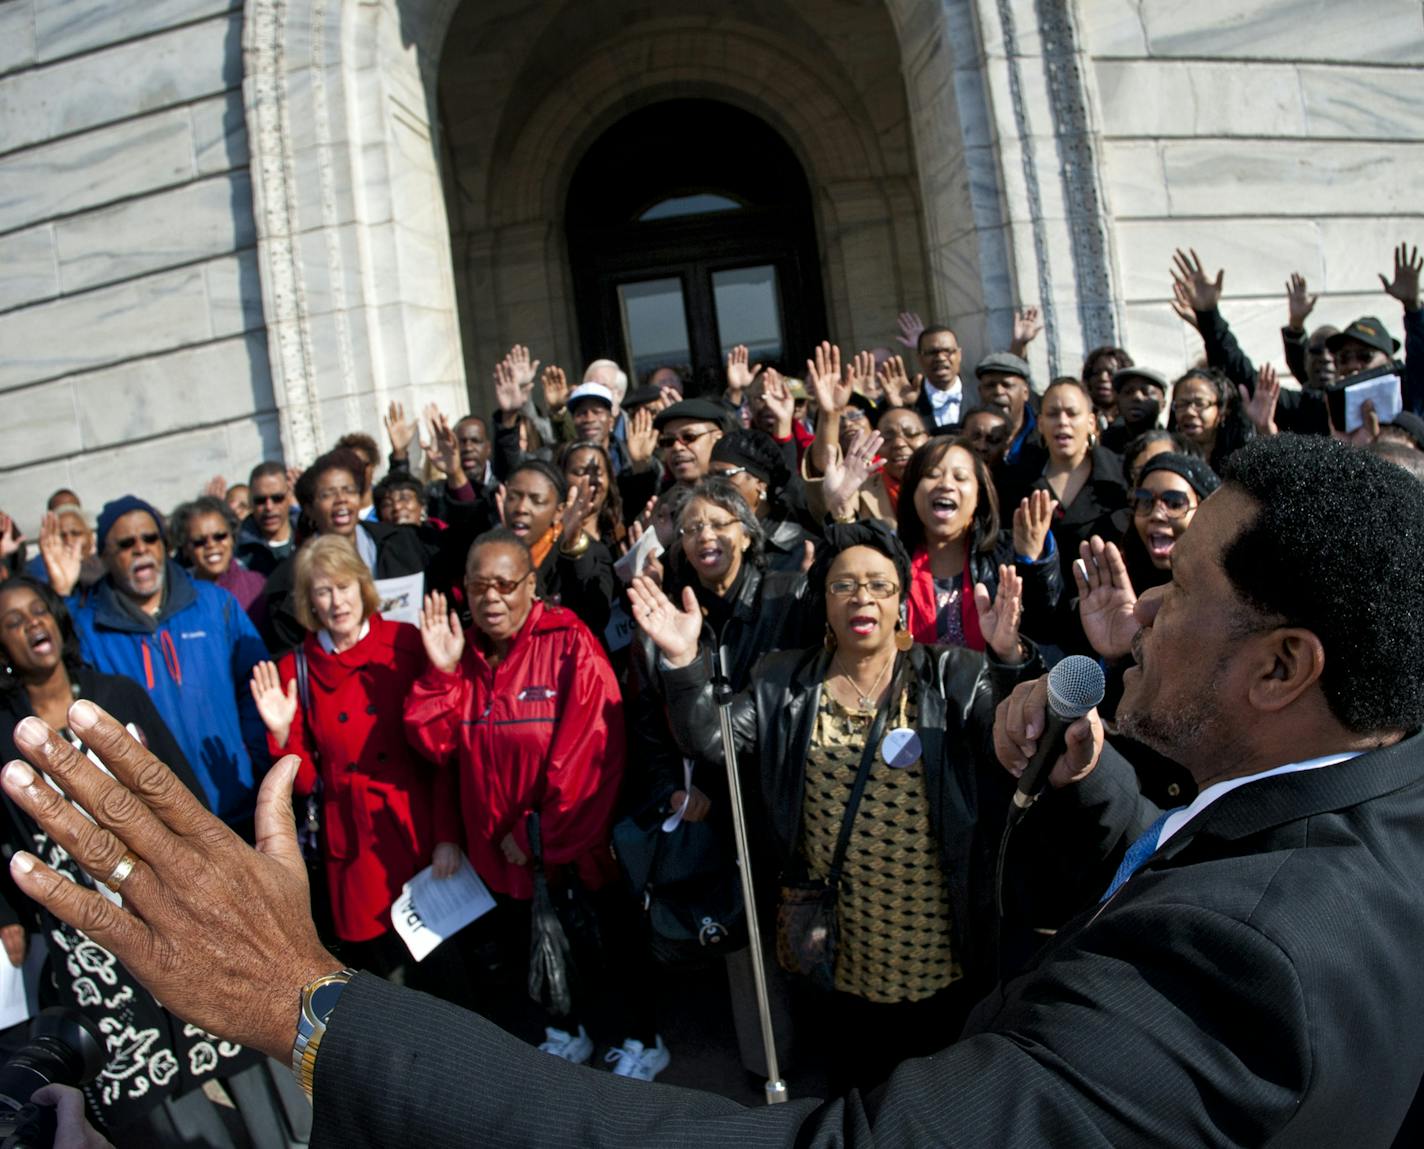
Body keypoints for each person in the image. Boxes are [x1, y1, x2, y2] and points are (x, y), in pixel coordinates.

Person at [13, 433, 1424, 1148]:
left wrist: (313, 1010)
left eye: (1188, 585)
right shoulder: (1360, 815)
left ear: (1284, 665)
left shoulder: (1235, 966)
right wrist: (1105, 790)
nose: (1148, 600)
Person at [629, 520, 1044, 1091]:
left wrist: (1008, 658)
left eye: (879, 584)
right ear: (822, 600)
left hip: (935, 933)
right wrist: (683, 659)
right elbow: (711, 739)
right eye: (844, 585)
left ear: (900, 599)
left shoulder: (953, 674)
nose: (862, 597)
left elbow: (1020, 738)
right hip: (835, 938)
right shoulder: (781, 680)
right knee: (856, 1076)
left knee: (934, 1080)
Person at [0, 576, 296, 1146]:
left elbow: (176, 786)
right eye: (13, 621)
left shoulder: (115, 695)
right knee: (140, 1055)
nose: (32, 624)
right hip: (82, 925)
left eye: (38, 611)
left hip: (155, 886)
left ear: (58, 623)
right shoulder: (1, 732)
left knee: (219, 1019)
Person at [404, 530, 643, 1071]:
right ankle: (566, 1030)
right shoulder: (462, 654)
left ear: (531, 586)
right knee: (535, 950)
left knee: (603, 945)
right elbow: (436, 745)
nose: (492, 598)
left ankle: (640, 1038)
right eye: (479, 585)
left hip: (569, 849)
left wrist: (538, 832)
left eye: (506, 584)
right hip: (501, 858)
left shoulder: (567, 641)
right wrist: (441, 675)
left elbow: (590, 749)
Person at [249, 536, 455, 977]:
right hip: (355, 846)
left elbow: (440, 753)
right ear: (310, 603)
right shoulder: (296, 669)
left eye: (344, 586)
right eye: (323, 591)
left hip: (414, 827)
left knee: (444, 970)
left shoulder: (407, 642)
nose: (337, 601)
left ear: (362, 586)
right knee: (384, 979)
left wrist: (447, 836)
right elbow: (303, 784)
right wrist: (283, 733)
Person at [42, 495, 270, 835]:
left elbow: (256, 689)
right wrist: (60, 595)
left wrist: (255, 762)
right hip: (160, 822)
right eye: (126, 543)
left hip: (237, 801)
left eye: (150, 538)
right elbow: (53, 687)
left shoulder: (215, 603)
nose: (140, 548)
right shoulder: (86, 628)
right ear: (105, 555)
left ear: (164, 545)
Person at [260, 444, 483, 655]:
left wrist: (456, 477)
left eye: (348, 490)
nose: (341, 500)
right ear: (309, 508)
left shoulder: (404, 542)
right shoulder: (288, 582)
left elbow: (468, 553)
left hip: (419, 670)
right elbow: (290, 656)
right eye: (328, 494)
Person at [896, 438, 1062, 650]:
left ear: (978, 496)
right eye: (932, 475)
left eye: (960, 477)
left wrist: (1034, 562)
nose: (946, 484)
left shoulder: (1006, 554)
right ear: (912, 490)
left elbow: (1043, 627)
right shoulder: (890, 558)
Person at [500, 459, 614, 639]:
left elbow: (596, 616)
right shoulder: (490, 553)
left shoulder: (589, 552)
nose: (521, 508)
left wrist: (573, 543)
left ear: (559, 511)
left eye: (536, 500)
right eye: (513, 497)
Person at [708, 429, 815, 573]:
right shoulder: (707, 540)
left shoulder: (798, 548)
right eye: (709, 477)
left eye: (724, 475)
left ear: (760, 483)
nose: (713, 485)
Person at [1119, 453, 1220, 595]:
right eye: (1145, 500)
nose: (1156, 515)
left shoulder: (1235, 597)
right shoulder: (1114, 588)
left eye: (1174, 503)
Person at [171, 495, 267, 628]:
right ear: (186, 549)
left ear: (232, 538)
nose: (211, 545)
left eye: (220, 536)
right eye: (199, 541)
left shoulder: (258, 586)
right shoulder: (175, 595)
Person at [1167, 366, 1254, 472]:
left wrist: (1264, 427)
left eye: (1200, 404)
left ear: (1223, 410)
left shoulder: (1242, 459)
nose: (1189, 412)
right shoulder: (1167, 458)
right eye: (1182, 404)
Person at [973, 352, 1038, 465]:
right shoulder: (967, 435)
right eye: (990, 385)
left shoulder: (1043, 436)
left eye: (1007, 385)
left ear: (1025, 393)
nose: (998, 392)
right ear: (980, 391)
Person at [237, 462, 298, 577]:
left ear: (289, 496)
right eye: (260, 500)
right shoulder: (238, 551)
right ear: (250, 501)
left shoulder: (309, 536)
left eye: (277, 498)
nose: (269, 507)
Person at [1099, 366, 1166, 456]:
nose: (1136, 397)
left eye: (1147, 392)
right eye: (1128, 392)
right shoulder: (1104, 443)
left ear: (1163, 404)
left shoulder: (1173, 445)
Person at [1080, 345, 1133, 427]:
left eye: (1111, 373)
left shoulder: (1135, 422)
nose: (1103, 378)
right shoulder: (1080, 421)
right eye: (1097, 373)